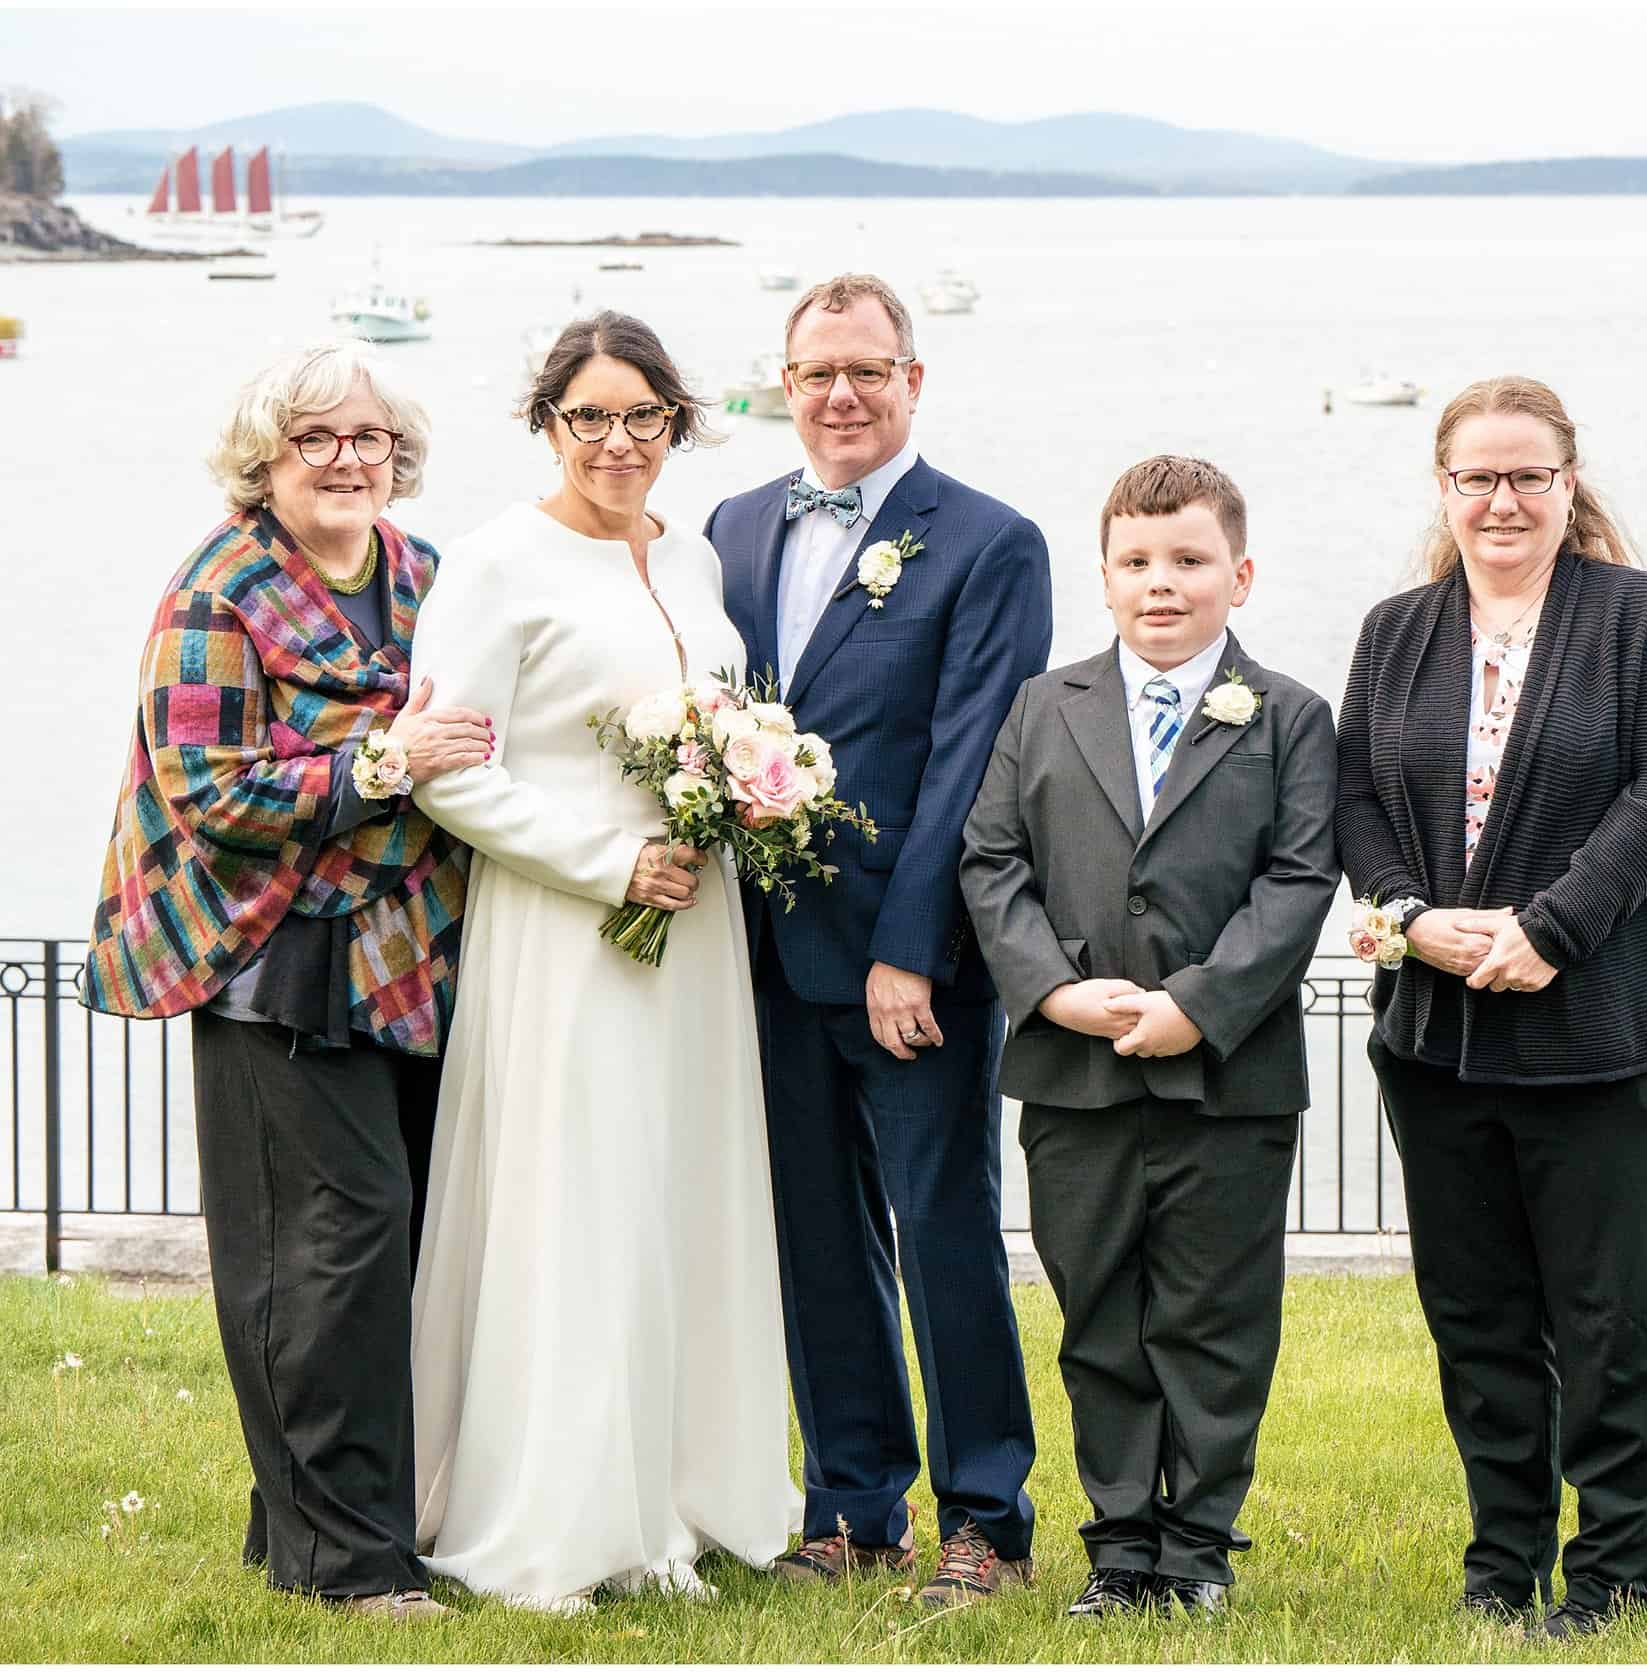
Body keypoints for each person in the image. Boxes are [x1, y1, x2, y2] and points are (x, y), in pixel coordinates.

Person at [83, 340, 495, 1623]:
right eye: (316, 437)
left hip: (409, 953)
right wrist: (379, 763)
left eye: (368, 437)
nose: (347, 459)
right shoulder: (217, 590)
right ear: (264, 456)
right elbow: (209, 794)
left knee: (391, 1246)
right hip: (263, 953)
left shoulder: (428, 575)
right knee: (326, 1251)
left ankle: (304, 1531)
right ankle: (352, 1566)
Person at [405, 311, 800, 1613]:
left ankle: (674, 1499)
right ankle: (560, 1514)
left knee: (676, 1191)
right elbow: (451, 774)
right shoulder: (495, 563)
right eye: (592, 417)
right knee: (578, 1200)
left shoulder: (688, 559)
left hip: (693, 932)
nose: (619, 442)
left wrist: (739, 803)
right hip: (569, 933)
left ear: (676, 425)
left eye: (644, 417)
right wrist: (605, 863)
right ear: (548, 424)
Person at [1332, 376, 1647, 1640]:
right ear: (1441, 487)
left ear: (1568, 483)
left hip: (1609, 1034)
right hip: (1440, 1043)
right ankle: (1501, 1568)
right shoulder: (1395, 630)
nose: (1500, 500)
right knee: (1480, 1321)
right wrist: (1407, 912)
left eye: (1526, 475)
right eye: (1475, 477)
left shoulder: (1640, 618)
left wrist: (1548, 930)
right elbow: (1352, 799)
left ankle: (1613, 1576)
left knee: (1613, 1324)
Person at [704, 273, 1052, 1610]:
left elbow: (975, 761)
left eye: (867, 370)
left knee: (945, 1227)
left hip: (913, 963)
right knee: (815, 1237)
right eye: (814, 374)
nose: (840, 396)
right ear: (783, 385)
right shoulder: (732, 526)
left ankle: (989, 1518)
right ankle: (853, 1503)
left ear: (915, 381)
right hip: (764, 956)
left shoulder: (987, 541)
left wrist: (913, 947)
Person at [960, 456, 1339, 1619]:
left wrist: (1198, 1003)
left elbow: (1298, 875)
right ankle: (1120, 1544)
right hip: (1074, 1070)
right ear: (1106, 574)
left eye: (1188, 561)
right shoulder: (1044, 705)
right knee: (1101, 1312)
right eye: (1137, 563)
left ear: (1241, 573)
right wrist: (1054, 991)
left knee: (1213, 1317)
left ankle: (1197, 1549)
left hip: (1230, 1075)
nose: (1160, 585)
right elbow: (991, 861)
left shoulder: (1287, 716)